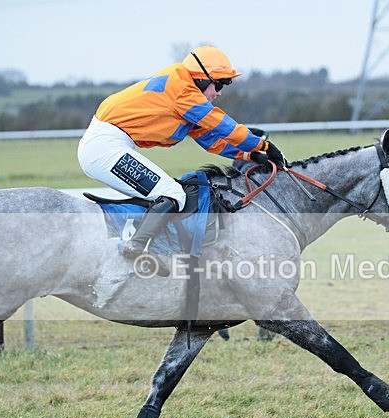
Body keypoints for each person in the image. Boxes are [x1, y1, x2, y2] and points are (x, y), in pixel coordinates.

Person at [77, 45, 286, 276]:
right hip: (104, 148)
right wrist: (263, 145)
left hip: (107, 145)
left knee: (169, 192)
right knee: (173, 194)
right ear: (202, 78)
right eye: (219, 84)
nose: (219, 93)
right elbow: (223, 125)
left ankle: (145, 242)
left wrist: (249, 155)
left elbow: (211, 140)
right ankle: (136, 247)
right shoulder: (183, 91)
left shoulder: (185, 92)